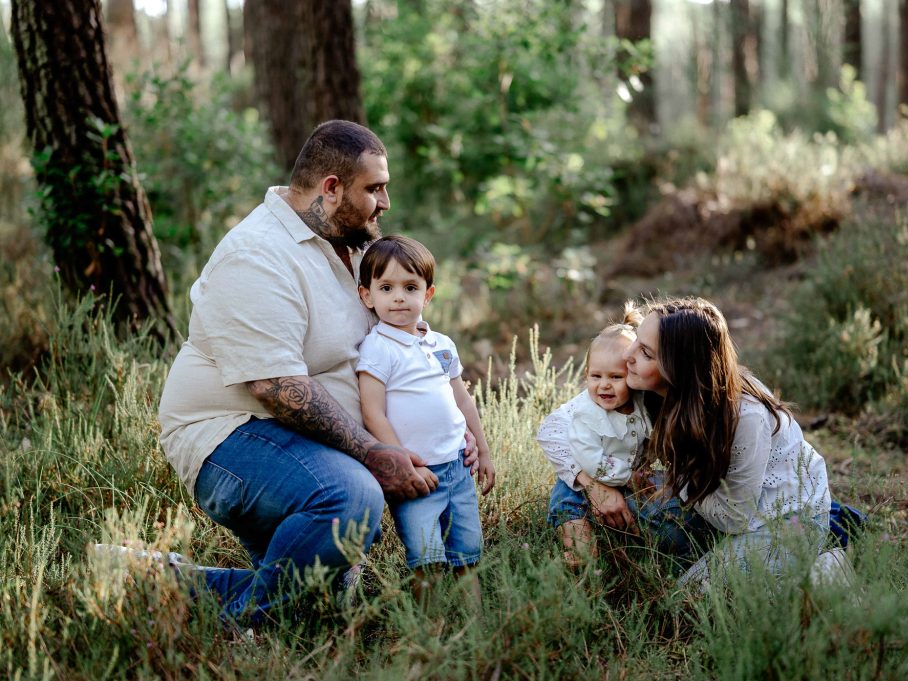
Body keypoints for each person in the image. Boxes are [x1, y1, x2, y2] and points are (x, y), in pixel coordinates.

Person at [141, 120, 477, 625]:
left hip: (302, 440)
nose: (385, 202)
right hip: (228, 437)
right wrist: (372, 454)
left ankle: (164, 582)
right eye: (375, 188)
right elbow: (276, 388)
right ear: (332, 188)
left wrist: (453, 431)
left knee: (320, 607)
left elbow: (404, 350)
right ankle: (235, 617)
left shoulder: (357, 241)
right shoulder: (256, 255)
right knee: (350, 494)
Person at [538, 297, 832, 582]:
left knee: (691, 601)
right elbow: (555, 430)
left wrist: (672, 480)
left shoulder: (745, 416)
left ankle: (826, 559)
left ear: (678, 368)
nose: (628, 356)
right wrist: (597, 486)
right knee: (576, 479)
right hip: (702, 499)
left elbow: (735, 519)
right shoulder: (640, 382)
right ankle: (582, 547)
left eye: (645, 352)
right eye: (637, 342)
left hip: (776, 518)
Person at [356, 235, 496, 598]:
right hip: (417, 475)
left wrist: (483, 449)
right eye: (386, 287)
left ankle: (474, 626)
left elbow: (462, 399)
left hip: (458, 467)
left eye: (410, 287)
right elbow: (373, 412)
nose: (399, 297)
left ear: (428, 294)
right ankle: (427, 632)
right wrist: (402, 462)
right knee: (426, 560)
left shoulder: (443, 344)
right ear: (367, 296)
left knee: (468, 555)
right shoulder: (378, 347)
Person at [536, 304, 651, 567]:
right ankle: (569, 562)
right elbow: (555, 436)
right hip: (576, 488)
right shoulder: (585, 410)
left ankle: (625, 559)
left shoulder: (641, 405)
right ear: (586, 374)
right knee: (577, 527)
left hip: (620, 481)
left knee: (627, 532)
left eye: (616, 377)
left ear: (632, 376)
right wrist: (627, 477)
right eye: (596, 376)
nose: (604, 385)